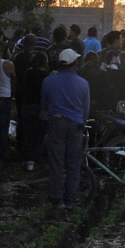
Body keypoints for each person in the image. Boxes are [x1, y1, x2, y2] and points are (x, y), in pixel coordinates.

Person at [41, 48, 90, 208]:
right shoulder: (83, 83)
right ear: (74, 64)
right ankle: (70, 197)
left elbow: (44, 104)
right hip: (75, 125)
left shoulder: (48, 81)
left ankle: (56, 197)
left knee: (57, 162)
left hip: (56, 123)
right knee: (73, 163)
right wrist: (82, 123)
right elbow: (86, 108)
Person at [20, 52, 49, 171]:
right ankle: (33, 159)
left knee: (27, 133)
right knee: (39, 134)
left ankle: (25, 157)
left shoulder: (28, 72)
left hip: (27, 105)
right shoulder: (45, 76)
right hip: (40, 106)